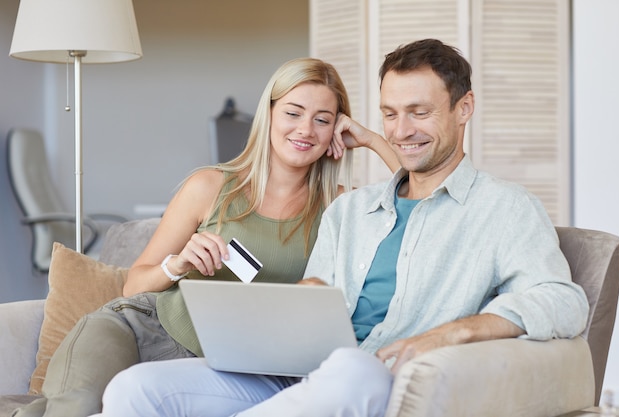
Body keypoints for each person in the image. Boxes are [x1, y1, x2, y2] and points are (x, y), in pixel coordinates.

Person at [93, 39, 590, 417]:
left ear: (464, 109)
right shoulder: (351, 211)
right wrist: (281, 317)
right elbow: (317, 289)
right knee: (133, 389)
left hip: (371, 375)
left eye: (419, 112)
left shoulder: (503, 208)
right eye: (390, 115)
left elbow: (562, 299)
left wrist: (455, 333)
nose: (402, 129)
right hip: (293, 373)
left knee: (353, 370)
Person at [13, 57, 399, 417]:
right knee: (75, 406)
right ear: (268, 115)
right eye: (293, 113)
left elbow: (422, 206)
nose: (305, 130)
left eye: (322, 119)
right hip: (139, 328)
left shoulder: (339, 207)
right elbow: (132, 284)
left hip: (220, 367)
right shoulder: (211, 186)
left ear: (337, 128)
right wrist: (176, 265)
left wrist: (372, 140)